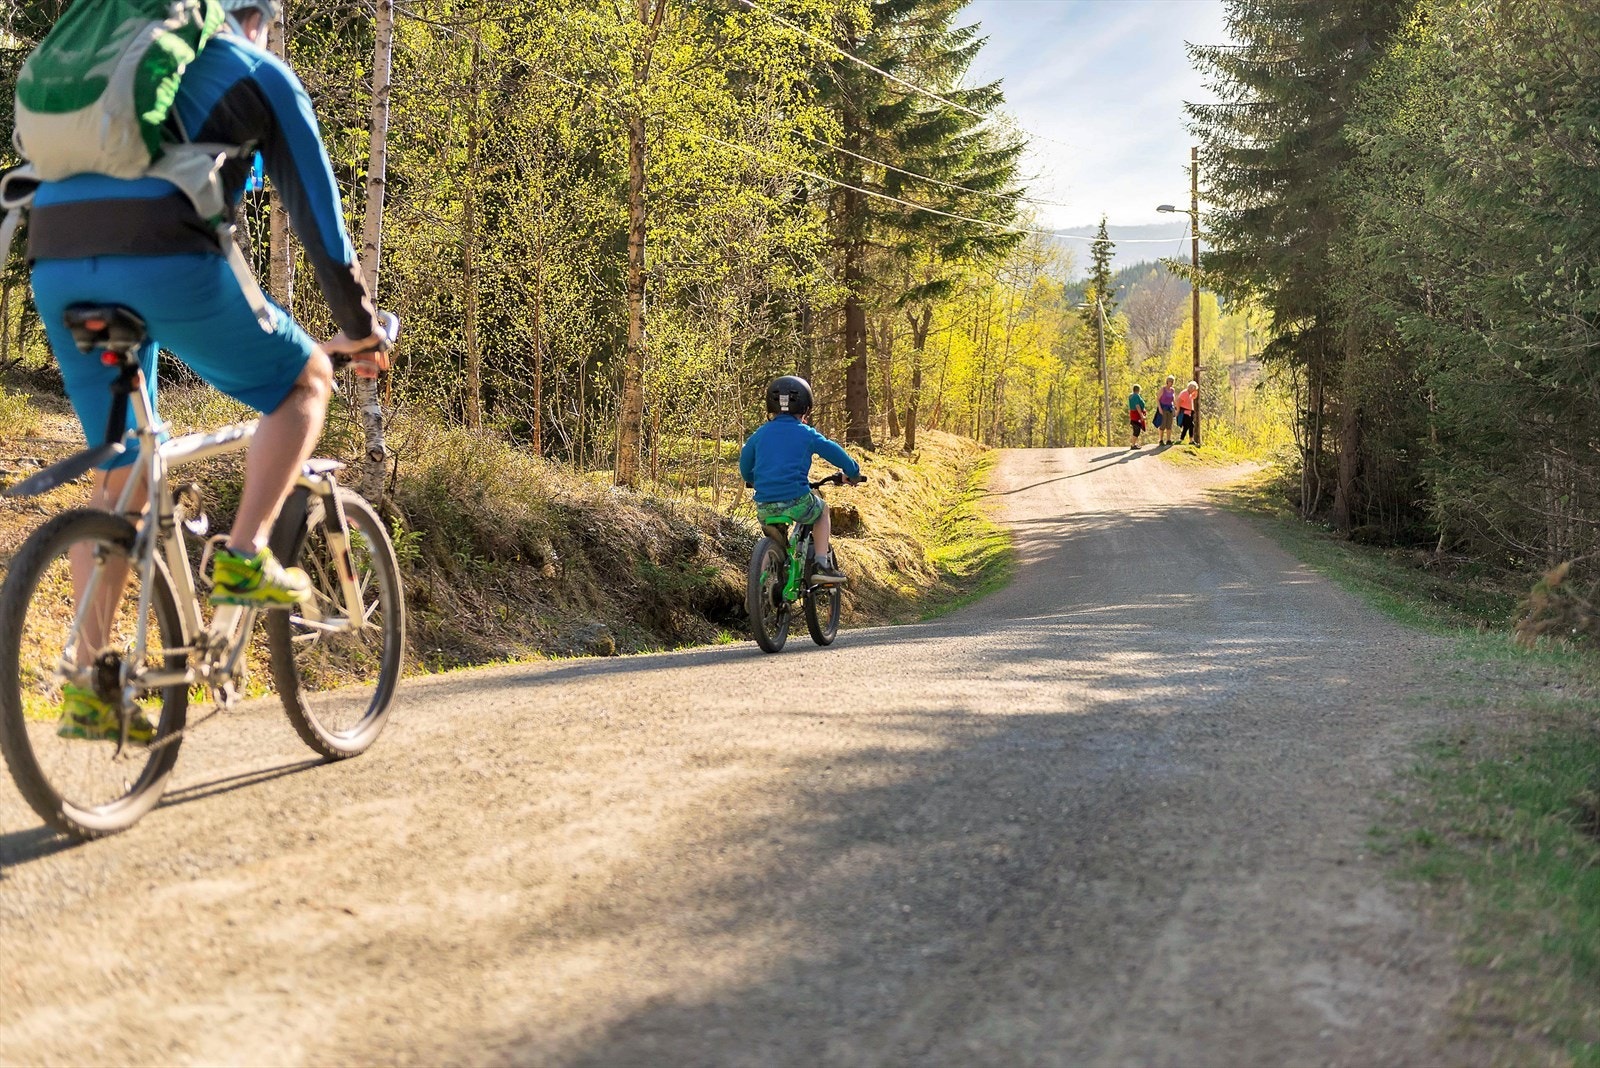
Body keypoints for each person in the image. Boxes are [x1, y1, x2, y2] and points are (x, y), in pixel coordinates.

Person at [22, 0, 387, 741]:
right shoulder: (260, 71)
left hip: (55, 260)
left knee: (124, 471)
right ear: (255, 19)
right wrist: (360, 331)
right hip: (164, 257)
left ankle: (90, 684)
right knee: (306, 380)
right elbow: (321, 226)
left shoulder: (114, 72)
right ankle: (245, 553)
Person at [738, 375, 862, 584]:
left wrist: (753, 480)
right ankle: (822, 564)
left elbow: (745, 464)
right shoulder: (806, 433)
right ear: (805, 408)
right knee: (822, 511)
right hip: (796, 500)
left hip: (765, 505)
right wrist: (853, 471)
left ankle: (758, 588)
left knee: (775, 544)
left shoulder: (760, 434)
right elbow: (833, 451)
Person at [1157, 374, 1177, 445]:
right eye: (1170, 381)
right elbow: (1157, 399)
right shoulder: (1163, 389)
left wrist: (1175, 408)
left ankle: (1168, 440)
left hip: (1170, 408)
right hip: (1163, 408)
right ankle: (1161, 440)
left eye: (1172, 382)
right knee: (1163, 424)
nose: (1171, 383)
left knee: (1169, 424)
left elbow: (1173, 400)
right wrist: (1159, 408)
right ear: (1167, 381)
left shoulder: (1172, 390)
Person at [1176, 380, 1198, 444]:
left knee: (1186, 427)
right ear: (1190, 387)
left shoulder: (1190, 394)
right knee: (1191, 425)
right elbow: (1178, 401)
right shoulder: (1185, 393)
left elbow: (1195, 396)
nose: (1193, 390)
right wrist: (1178, 410)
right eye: (1193, 389)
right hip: (1185, 412)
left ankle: (1181, 439)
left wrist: (1196, 390)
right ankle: (1191, 440)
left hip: (1189, 412)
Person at [1128, 384, 1147, 449]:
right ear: (1138, 390)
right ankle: (1133, 445)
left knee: (1136, 429)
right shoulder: (1136, 396)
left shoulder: (1131, 396)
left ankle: (1134, 444)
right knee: (1137, 430)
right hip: (1136, 414)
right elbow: (1137, 406)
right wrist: (1142, 415)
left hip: (1133, 414)